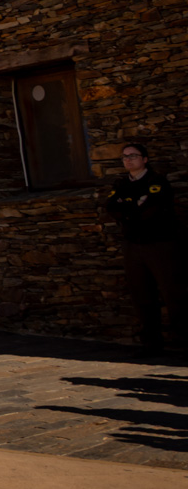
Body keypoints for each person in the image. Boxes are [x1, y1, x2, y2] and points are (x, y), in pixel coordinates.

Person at [105, 142, 181, 352]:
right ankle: (151, 342)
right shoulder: (121, 183)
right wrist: (133, 207)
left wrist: (128, 209)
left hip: (159, 243)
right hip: (133, 244)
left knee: (172, 293)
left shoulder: (156, 182)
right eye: (125, 157)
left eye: (133, 156)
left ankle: (182, 342)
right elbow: (112, 207)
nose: (128, 160)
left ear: (145, 159)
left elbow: (151, 209)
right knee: (141, 294)